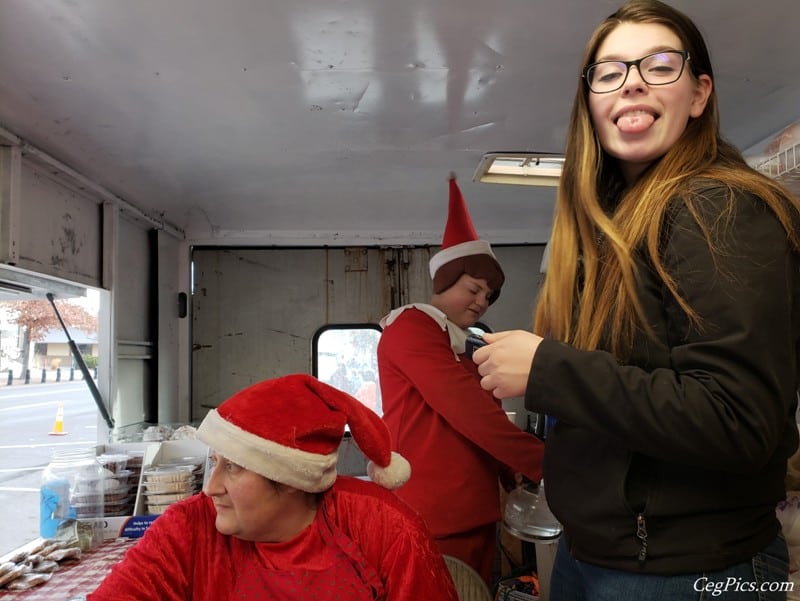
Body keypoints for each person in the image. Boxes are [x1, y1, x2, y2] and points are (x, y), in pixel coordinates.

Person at [473, 1, 800, 598]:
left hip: (688, 572)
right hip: (597, 554)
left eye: (660, 65)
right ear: (591, 101)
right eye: (611, 71)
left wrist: (549, 369)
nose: (633, 84)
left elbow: (738, 419)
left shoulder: (717, 207)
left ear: (699, 94)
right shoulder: (616, 224)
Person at [88, 374, 459, 601]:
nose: (210, 488)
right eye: (214, 462)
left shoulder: (383, 527)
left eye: (232, 467)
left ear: (293, 481)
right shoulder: (187, 529)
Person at [377, 174, 545, 586]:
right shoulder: (411, 328)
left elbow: (485, 411)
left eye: (489, 296)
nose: (481, 301)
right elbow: (465, 408)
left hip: (473, 508)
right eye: (474, 288)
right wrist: (546, 463)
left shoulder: (462, 343)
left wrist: (512, 471)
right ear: (445, 283)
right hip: (433, 513)